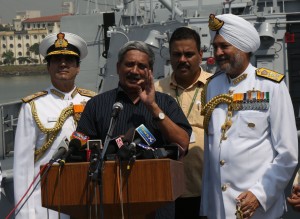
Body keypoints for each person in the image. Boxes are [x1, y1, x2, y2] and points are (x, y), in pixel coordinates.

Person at [76, 40, 192, 218]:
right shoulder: (96, 105)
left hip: (157, 205)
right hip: (110, 204)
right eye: (129, 64)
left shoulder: (165, 103)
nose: (134, 71)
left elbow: (182, 143)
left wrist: (152, 106)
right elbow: (79, 150)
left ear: (150, 72)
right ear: (118, 67)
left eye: (141, 66)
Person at [200, 14, 298, 219]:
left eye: (224, 46)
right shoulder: (212, 86)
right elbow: (212, 152)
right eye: (215, 47)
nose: (218, 53)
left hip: (258, 208)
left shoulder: (271, 85)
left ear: (243, 47)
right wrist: (207, 208)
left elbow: (287, 154)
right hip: (220, 210)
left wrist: (259, 195)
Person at [13, 32, 96, 219]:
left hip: (88, 200)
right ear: (48, 67)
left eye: (69, 59)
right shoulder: (33, 106)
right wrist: (25, 215)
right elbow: (22, 166)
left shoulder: (93, 102)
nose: (63, 64)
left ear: (78, 68)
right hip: (47, 206)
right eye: (57, 59)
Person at [155, 27, 212, 219]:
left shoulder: (217, 86)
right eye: (177, 54)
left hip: (208, 190)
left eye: (189, 54)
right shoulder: (155, 91)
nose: (182, 60)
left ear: (201, 55)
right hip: (166, 191)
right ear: (169, 56)